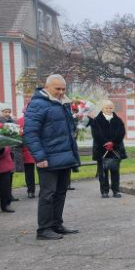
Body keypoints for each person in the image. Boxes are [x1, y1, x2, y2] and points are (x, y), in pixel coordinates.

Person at [23, 75, 81, 240]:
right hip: (47, 158)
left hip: (64, 156)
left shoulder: (63, 103)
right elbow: (31, 133)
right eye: (58, 89)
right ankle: (43, 229)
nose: (61, 92)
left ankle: (56, 224)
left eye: (63, 89)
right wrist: (40, 157)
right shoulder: (37, 104)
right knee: (48, 194)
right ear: (47, 87)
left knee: (61, 192)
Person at [88, 100, 127, 198]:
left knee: (115, 172)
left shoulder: (117, 120)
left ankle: (116, 191)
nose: (108, 109)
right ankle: (104, 191)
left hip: (115, 149)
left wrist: (113, 142)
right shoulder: (97, 120)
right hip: (101, 150)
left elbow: (121, 132)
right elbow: (96, 134)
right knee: (103, 173)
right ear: (102, 108)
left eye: (110, 108)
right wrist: (105, 143)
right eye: (106, 107)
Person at [16, 111, 36, 198]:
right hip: (26, 150)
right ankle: (31, 190)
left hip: (35, 149)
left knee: (42, 172)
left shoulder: (37, 119)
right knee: (29, 172)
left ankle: (40, 190)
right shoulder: (19, 121)